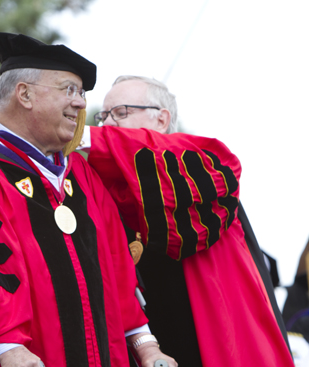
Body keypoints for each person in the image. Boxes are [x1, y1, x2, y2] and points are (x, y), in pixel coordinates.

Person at [0, 33, 177, 367]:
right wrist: (8, 348)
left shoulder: (81, 175)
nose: (82, 104)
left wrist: (146, 345)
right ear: (24, 94)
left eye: (82, 93)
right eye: (69, 90)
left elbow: (118, 264)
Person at [81, 75, 293, 366]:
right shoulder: (103, 187)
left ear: (162, 119)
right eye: (103, 117)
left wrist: (78, 135)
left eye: (121, 113)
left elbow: (148, 157)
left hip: (218, 340)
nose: (108, 125)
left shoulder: (201, 164)